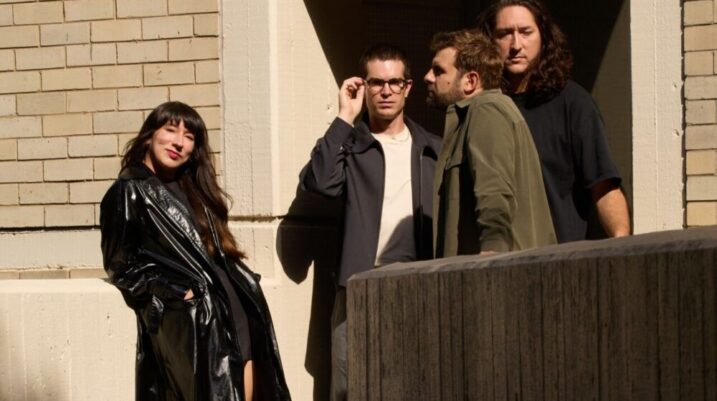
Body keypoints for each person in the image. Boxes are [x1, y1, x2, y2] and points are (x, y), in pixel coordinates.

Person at [100, 101, 291, 401]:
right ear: (149, 136)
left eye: (189, 137)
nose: (178, 142)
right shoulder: (129, 190)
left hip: (233, 309)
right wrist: (174, 291)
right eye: (170, 130)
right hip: (192, 320)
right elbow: (120, 267)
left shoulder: (193, 188)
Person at [299, 44, 441, 401]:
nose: (386, 91)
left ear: (408, 87)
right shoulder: (350, 145)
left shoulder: (432, 148)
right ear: (364, 87)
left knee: (417, 384)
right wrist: (345, 117)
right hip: (358, 284)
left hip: (418, 282)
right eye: (377, 83)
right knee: (351, 389)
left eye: (395, 83)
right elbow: (319, 182)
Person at [477, 0, 631, 242]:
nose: (516, 45)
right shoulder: (481, 108)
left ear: (543, 37)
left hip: (559, 254)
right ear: (489, 42)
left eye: (525, 32)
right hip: (496, 255)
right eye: (504, 34)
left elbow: (604, 185)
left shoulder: (573, 103)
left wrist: (621, 243)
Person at [424, 29, 556, 257]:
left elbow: (493, 189)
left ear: (470, 81)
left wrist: (493, 249)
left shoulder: (486, 110)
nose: (428, 77)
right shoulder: (481, 112)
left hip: (498, 267)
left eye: (438, 71)